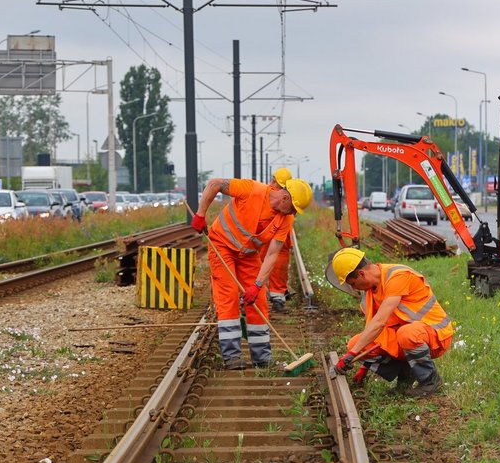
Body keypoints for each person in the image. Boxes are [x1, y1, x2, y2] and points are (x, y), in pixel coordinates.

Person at [191, 175, 312, 369]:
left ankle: (261, 357)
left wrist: (257, 285)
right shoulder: (251, 189)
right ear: (285, 199)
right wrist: (200, 214)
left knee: (258, 300)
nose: (293, 214)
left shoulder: (286, 219)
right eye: (293, 209)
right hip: (222, 246)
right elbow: (215, 184)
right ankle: (231, 356)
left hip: (248, 254)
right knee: (228, 295)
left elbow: (272, 254)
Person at [330, 247, 452, 396]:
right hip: (406, 339)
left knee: (406, 334)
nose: (354, 288)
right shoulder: (369, 292)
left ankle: (430, 381)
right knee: (355, 344)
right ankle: (405, 377)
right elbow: (373, 329)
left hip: (435, 335)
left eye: (353, 284)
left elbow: (380, 321)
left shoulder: (397, 276)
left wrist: (350, 355)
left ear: (362, 274)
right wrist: (363, 365)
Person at [261, 167, 296, 312]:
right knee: (258, 265)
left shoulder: (283, 196)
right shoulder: (265, 193)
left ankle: (277, 298)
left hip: (280, 238)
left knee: (278, 266)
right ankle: (259, 297)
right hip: (264, 236)